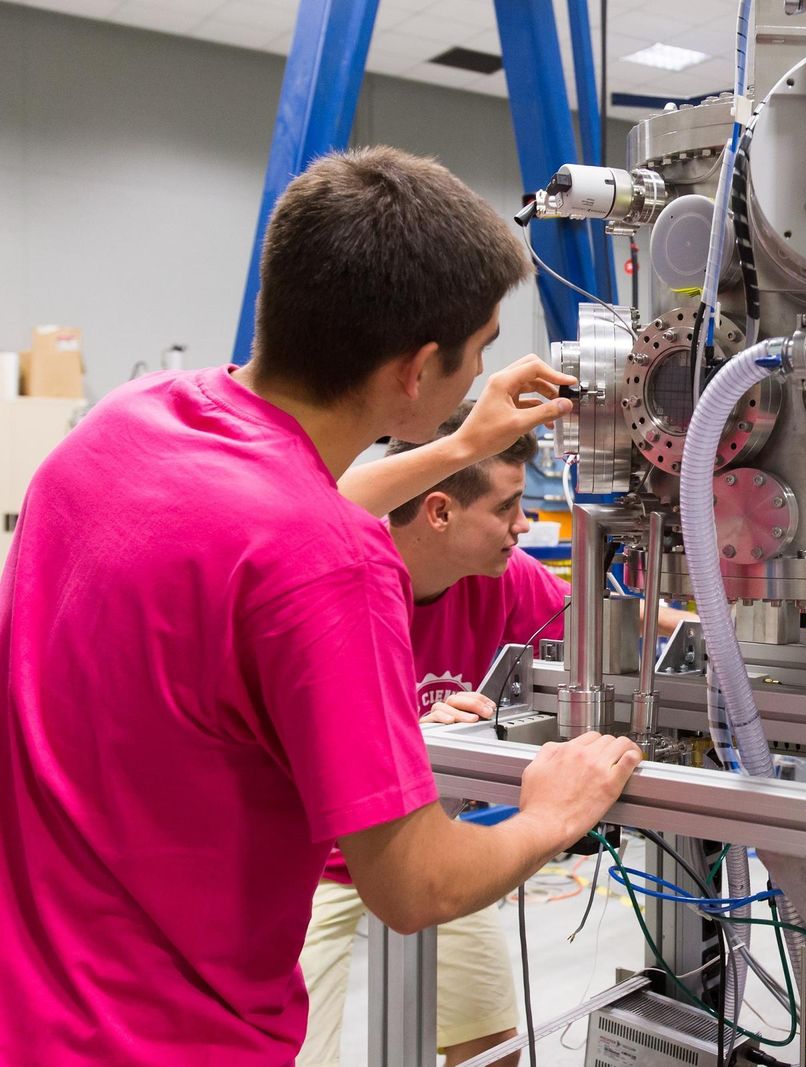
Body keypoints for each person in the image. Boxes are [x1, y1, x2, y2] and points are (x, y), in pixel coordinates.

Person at [0, 146, 642, 1065]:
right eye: (481, 348)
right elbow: (413, 885)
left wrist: (463, 439)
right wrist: (551, 811)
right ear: (418, 370)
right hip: (176, 1041)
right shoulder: (333, 567)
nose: (479, 372)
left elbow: (270, 520)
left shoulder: (123, 425)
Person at [300, 405, 691, 1066]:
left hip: (434, 833)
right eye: (508, 506)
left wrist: (699, 621)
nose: (524, 523)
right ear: (440, 512)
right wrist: (406, 731)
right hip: (316, 859)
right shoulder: (340, 580)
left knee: (491, 1048)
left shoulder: (505, 579)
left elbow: (597, 614)